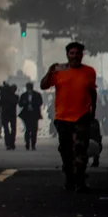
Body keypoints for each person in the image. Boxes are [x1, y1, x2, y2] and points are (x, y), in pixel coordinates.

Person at [41, 41, 97, 192]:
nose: (75, 56)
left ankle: (80, 181)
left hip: (82, 117)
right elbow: (43, 85)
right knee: (66, 151)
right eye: (72, 53)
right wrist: (49, 72)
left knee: (81, 150)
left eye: (77, 53)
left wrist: (93, 112)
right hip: (62, 118)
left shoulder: (89, 71)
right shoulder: (59, 71)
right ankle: (69, 178)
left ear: (82, 55)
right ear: (67, 55)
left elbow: (92, 92)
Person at [18, 82, 43, 150]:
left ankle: (33, 144)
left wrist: (32, 104)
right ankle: (27, 143)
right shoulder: (24, 95)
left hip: (34, 114)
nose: (29, 90)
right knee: (28, 129)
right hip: (26, 115)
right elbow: (20, 104)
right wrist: (25, 103)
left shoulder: (37, 95)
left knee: (34, 130)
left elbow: (40, 103)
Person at [0, 83, 19, 149]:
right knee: (6, 130)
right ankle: (8, 143)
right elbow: (0, 103)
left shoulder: (15, 97)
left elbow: (15, 102)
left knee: (13, 130)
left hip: (11, 115)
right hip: (5, 114)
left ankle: (11, 143)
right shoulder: (4, 96)